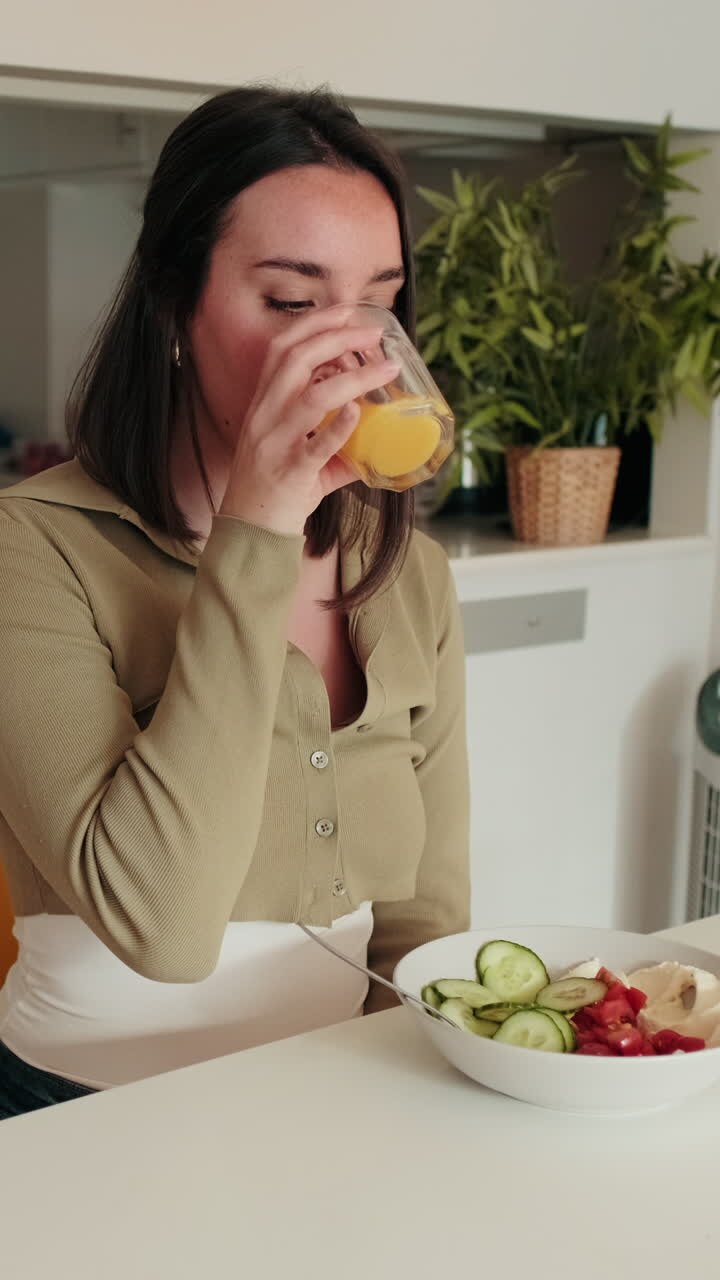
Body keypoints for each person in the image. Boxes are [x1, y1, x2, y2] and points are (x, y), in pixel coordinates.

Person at [0, 85, 470, 1118]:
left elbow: (425, 917)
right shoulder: (30, 550)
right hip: (80, 1112)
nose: (346, 353)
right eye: (295, 303)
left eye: (376, 304)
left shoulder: (409, 572)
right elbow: (160, 922)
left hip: (334, 1097)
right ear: (175, 305)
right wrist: (255, 533)